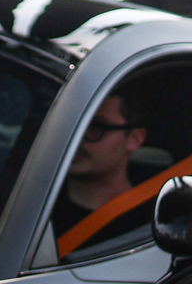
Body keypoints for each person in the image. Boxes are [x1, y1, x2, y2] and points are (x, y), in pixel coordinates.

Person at [50, 93, 173, 258]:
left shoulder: (161, 220)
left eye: (95, 126)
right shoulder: (29, 207)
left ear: (135, 139)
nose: (77, 136)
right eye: (70, 124)